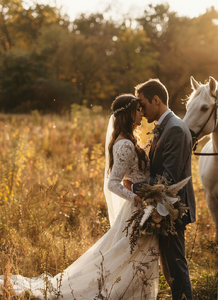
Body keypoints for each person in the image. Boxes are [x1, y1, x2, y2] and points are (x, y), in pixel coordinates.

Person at [0, 94, 159, 299]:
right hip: (138, 207)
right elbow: (113, 183)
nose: (142, 113)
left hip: (143, 206)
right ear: (129, 113)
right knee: (126, 254)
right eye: (138, 109)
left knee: (131, 254)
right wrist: (136, 198)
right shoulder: (125, 144)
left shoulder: (130, 141)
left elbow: (132, 174)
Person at [132, 79, 196, 300]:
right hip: (164, 209)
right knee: (170, 268)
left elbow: (168, 180)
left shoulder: (176, 129)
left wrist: (134, 187)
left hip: (173, 211)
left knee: (176, 267)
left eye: (142, 104)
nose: (140, 110)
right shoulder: (166, 126)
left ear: (156, 100)